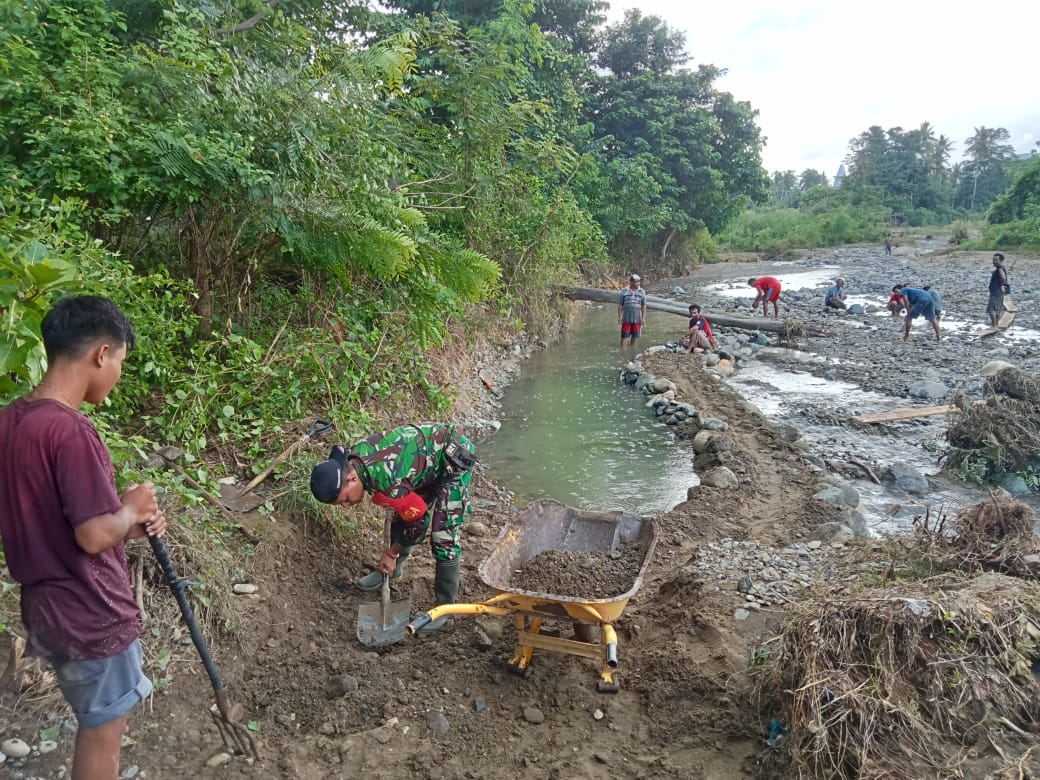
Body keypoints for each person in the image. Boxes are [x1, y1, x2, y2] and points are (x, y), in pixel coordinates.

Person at [0, 295, 167, 780]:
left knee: (94, 720)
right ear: (101, 354)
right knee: (102, 733)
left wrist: (129, 526)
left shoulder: (12, 422)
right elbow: (94, 535)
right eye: (120, 361)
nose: (116, 374)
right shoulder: (69, 431)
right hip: (90, 612)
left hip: (46, 609)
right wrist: (130, 507)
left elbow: (55, 523)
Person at [310, 423, 476, 633]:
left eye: (344, 499)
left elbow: (419, 522)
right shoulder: (355, 460)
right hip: (424, 461)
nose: (345, 505)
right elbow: (404, 509)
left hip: (453, 458)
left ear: (352, 479)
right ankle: (393, 570)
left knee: (443, 535)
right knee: (403, 511)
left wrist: (391, 552)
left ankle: (445, 607)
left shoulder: (388, 483)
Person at [618, 274, 646, 348]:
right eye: (636, 282)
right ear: (631, 282)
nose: (638, 283)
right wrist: (619, 317)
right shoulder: (624, 291)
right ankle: (623, 352)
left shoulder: (642, 291)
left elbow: (643, 305)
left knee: (635, 335)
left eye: (639, 281)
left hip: (637, 318)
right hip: (626, 318)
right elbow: (620, 305)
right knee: (624, 336)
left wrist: (643, 318)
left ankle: (632, 350)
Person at [988, 252, 1010, 327]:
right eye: (993, 260)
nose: (994, 261)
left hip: (996, 292)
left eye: (996, 260)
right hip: (998, 292)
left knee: (991, 309)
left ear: (1001, 261)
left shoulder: (1000, 269)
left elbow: (1003, 278)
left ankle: (994, 326)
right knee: (997, 309)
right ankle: (996, 325)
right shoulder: (1001, 268)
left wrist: (1001, 285)